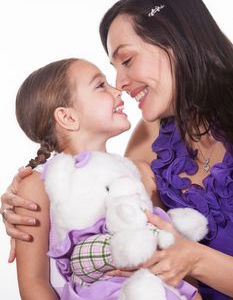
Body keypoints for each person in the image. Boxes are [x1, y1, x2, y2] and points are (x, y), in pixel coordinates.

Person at [1, 0, 233, 299]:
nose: (120, 84)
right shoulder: (150, 140)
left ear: (176, 42)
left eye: (126, 60)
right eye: (109, 73)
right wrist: (28, 200)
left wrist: (195, 259)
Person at [9, 57, 196, 299]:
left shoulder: (140, 173)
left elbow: (169, 247)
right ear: (67, 117)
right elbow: (34, 284)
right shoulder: (36, 186)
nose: (117, 90)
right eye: (101, 86)